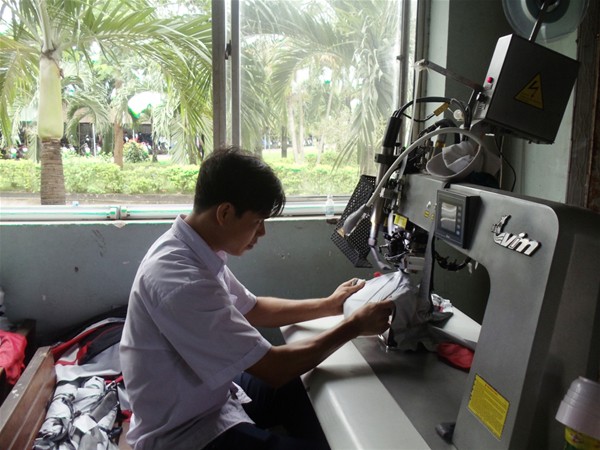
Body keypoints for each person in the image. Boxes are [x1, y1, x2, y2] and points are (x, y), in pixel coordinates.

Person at [120, 146, 394, 450]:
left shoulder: (192, 250)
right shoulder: (182, 281)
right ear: (225, 213)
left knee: (303, 385)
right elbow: (274, 369)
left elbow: (254, 308)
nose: (262, 232)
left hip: (211, 399)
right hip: (188, 433)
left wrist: (329, 305)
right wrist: (353, 326)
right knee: (292, 379)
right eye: (257, 221)